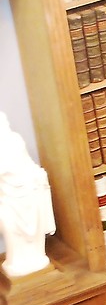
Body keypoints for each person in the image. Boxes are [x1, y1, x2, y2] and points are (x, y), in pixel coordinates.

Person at [0, 112, 55, 278]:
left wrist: (37, 174)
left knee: (36, 231)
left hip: (28, 189)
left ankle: (37, 257)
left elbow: (26, 162)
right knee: (12, 231)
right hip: (9, 196)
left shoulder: (15, 140)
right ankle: (17, 262)